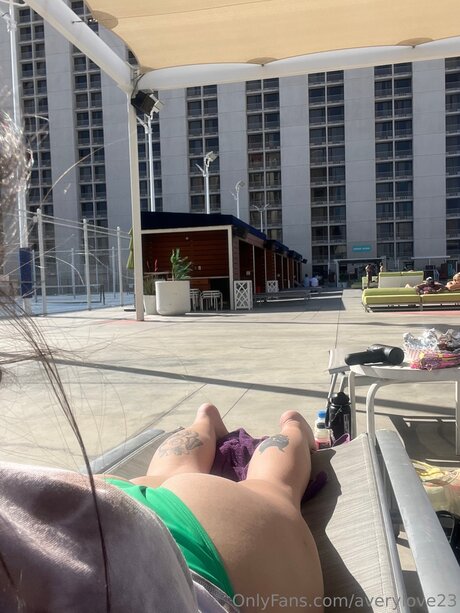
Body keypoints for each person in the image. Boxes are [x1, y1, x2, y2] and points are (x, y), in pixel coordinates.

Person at [0, 110, 324, 610]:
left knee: (257, 489)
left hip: (150, 527)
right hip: (104, 508)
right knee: (248, 486)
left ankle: (250, 422)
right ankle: (252, 421)